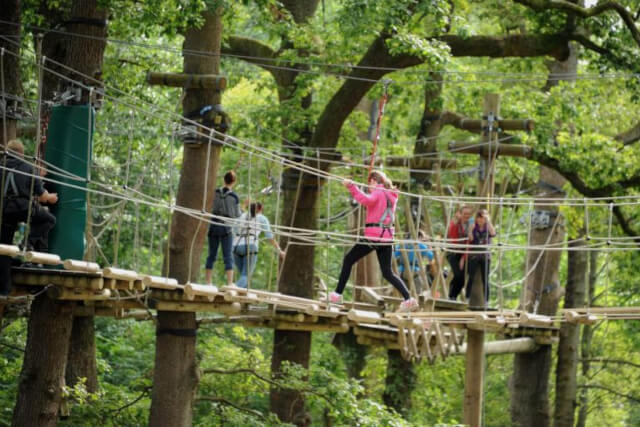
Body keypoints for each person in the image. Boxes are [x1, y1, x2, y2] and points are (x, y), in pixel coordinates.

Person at [329, 170, 418, 312]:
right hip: (387, 238)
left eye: (369, 183)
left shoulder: (378, 192)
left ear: (374, 181)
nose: (369, 187)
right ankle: (408, 298)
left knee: (348, 260)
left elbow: (366, 200)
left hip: (374, 236)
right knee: (387, 272)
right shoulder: (392, 195)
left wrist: (351, 187)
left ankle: (337, 294)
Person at [0, 140, 58, 294]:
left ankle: (4, 290)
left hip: (4, 211)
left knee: (4, 248)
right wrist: (52, 197)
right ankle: (28, 243)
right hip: (23, 209)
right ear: (21, 153)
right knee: (49, 219)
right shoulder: (27, 168)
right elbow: (43, 196)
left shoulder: (1, 167)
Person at [232, 202, 285, 288]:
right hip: (250, 246)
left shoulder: (241, 216)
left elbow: (233, 230)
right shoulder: (262, 218)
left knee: (243, 275)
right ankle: (233, 288)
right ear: (260, 210)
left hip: (236, 246)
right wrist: (279, 250)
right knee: (246, 275)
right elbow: (269, 236)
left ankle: (243, 297)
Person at [205, 171, 241, 286]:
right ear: (234, 182)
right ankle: (230, 283)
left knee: (212, 255)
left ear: (224, 180)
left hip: (214, 225)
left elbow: (210, 206)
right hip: (226, 228)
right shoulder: (234, 197)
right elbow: (237, 214)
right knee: (228, 255)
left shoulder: (215, 192)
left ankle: (208, 282)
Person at [461, 209, 496, 305]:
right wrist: (471, 230)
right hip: (474, 255)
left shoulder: (488, 227)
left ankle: (486, 301)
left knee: (486, 279)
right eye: (479, 217)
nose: (481, 220)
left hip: (485, 255)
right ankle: (467, 299)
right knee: (471, 277)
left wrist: (488, 221)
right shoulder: (473, 226)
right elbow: (470, 238)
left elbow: (493, 233)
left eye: (483, 218)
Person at [394, 230, 434, 295]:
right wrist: (429, 246)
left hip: (402, 271)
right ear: (419, 237)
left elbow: (393, 255)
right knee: (417, 294)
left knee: (404, 295)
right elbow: (431, 256)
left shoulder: (402, 244)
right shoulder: (420, 245)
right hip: (414, 272)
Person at [446, 205, 473, 301]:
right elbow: (453, 238)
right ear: (460, 214)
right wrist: (455, 222)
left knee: (462, 278)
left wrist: (463, 257)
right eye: (465, 214)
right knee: (458, 274)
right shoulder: (455, 224)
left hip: (463, 253)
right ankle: (451, 295)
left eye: (469, 214)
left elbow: (470, 243)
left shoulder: (471, 225)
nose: (467, 216)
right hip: (453, 252)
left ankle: (453, 296)